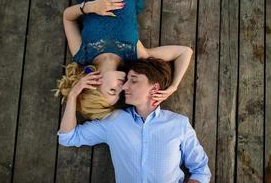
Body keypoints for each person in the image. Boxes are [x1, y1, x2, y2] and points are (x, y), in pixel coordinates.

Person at [57, 58, 211, 183]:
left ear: (154, 89)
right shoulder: (114, 122)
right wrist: (73, 95)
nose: (124, 86)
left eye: (134, 80)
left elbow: (201, 170)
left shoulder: (179, 124)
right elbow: (68, 137)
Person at [53, 0, 193, 120]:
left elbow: (67, 17)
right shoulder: (135, 55)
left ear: (94, 84)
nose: (122, 87)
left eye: (113, 90)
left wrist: (90, 6)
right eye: (120, 94)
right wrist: (173, 87)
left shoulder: (82, 54)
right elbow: (185, 52)